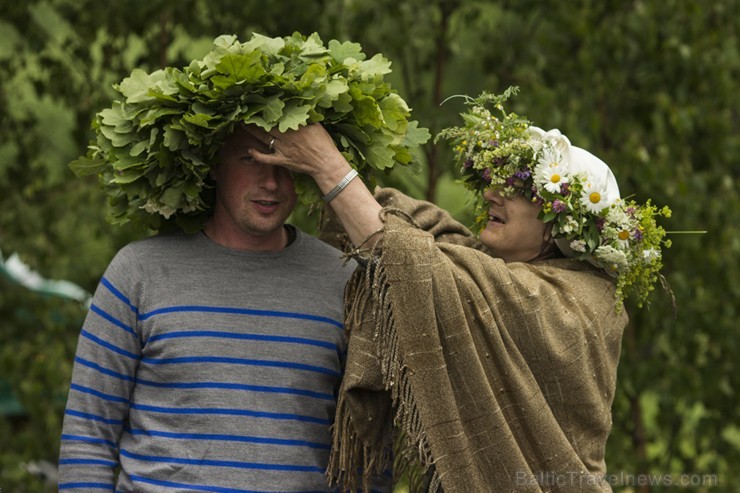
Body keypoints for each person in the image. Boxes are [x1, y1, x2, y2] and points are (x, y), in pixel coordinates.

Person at [245, 92, 670, 492]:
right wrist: (324, 157)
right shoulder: (484, 268)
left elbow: (416, 266)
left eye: (518, 189)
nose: (490, 193)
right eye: (495, 180)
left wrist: (327, 165)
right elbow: (420, 235)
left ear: (562, 225)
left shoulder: (570, 302)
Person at [58, 124, 367, 491]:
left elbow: (366, 448)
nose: (271, 182)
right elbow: (87, 437)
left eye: (285, 162)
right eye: (250, 159)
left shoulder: (344, 281)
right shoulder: (139, 273)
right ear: (212, 165)